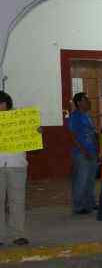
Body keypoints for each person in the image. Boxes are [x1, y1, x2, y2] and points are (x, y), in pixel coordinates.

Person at [0, 91, 42, 246]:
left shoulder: (22, 120)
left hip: (17, 165)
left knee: (17, 201)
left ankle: (18, 234)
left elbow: (35, 149)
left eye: (3, 107)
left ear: (8, 105)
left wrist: (37, 136)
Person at [68, 92, 98, 215]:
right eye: (86, 100)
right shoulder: (75, 116)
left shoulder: (87, 116)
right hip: (81, 154)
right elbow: (72, 136)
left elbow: (91, 133)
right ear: (79, 102)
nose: (89, 102)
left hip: (92, 153)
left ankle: (89, 204)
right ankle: (79, 206)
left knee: (90, 180)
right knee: (81, 180)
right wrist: (84, 151)